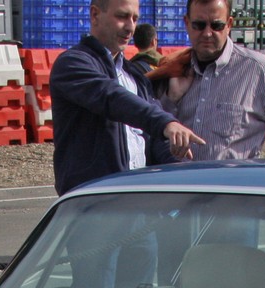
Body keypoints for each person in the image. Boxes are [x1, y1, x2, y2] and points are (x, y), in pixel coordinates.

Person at [49, 0, 203, 194]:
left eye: (135, 18)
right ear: (95, 15)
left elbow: (153, 139)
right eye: (122, 16)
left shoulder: (134, 76)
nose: (130, 27)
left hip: (133, 201)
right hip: (92, 201)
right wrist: (165, 123)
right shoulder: (72, 64)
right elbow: (111, 97)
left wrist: (181, 169)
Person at [148, 0, 265, 159]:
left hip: (230, 186)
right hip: (177, 185)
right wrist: (171, 100)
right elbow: (151, 131)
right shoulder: (172, 71)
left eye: (216, 25)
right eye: (199, 25)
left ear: (229, 24)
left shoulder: (256, 70)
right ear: (186, 23)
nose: (207, 33)